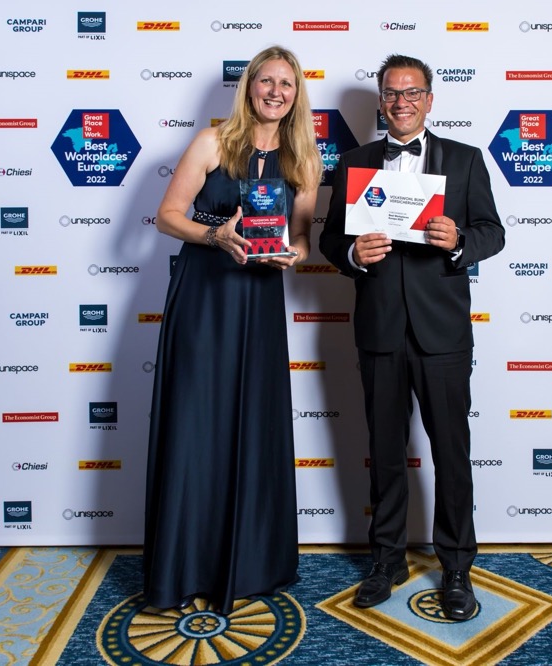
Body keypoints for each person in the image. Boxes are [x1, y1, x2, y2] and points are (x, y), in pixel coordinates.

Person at [319, 54, 505, 621]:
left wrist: (459, 240)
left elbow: (492, 232)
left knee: (451, 452)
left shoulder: (465, 159)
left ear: (429, 100)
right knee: (385, 454)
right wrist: (353, 253)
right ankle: (387, 559)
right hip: (379, 328)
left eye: (412, 92)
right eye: (392, 93)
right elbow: (329, 241)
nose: (402, 102)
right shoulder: (354, 162)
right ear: (381, 101)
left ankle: (456, 567)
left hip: (442, 331)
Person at [143, 45, 322, 615]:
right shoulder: (212, 142)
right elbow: (167, 216)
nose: (275, 92)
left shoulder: (304, 159)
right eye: (266, 81)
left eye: (286, 84)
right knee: (196, 424)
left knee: (252, 423)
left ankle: (251, 563)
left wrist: (294, 255)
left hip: (259, 300)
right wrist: (214, 235)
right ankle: (185, 566)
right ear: (249, 87)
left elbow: (302, 238)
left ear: (296, 96)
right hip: (204, 295)